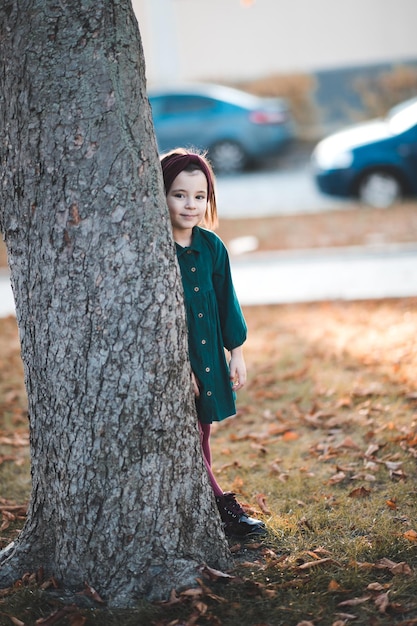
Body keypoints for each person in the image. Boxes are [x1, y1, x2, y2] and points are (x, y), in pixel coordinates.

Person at [160, 148, 266, 537]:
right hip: (177, 363)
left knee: (201, 434)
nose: (191, 205)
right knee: (188, 440)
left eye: (200, 196)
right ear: (160, 194)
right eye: (179, 194)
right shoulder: (155, 251)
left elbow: (227, 303)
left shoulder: (211, 247)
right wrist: (177, 367)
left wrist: (236, 353)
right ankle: (224, 509)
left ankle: (212, 507)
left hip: (209, 359)